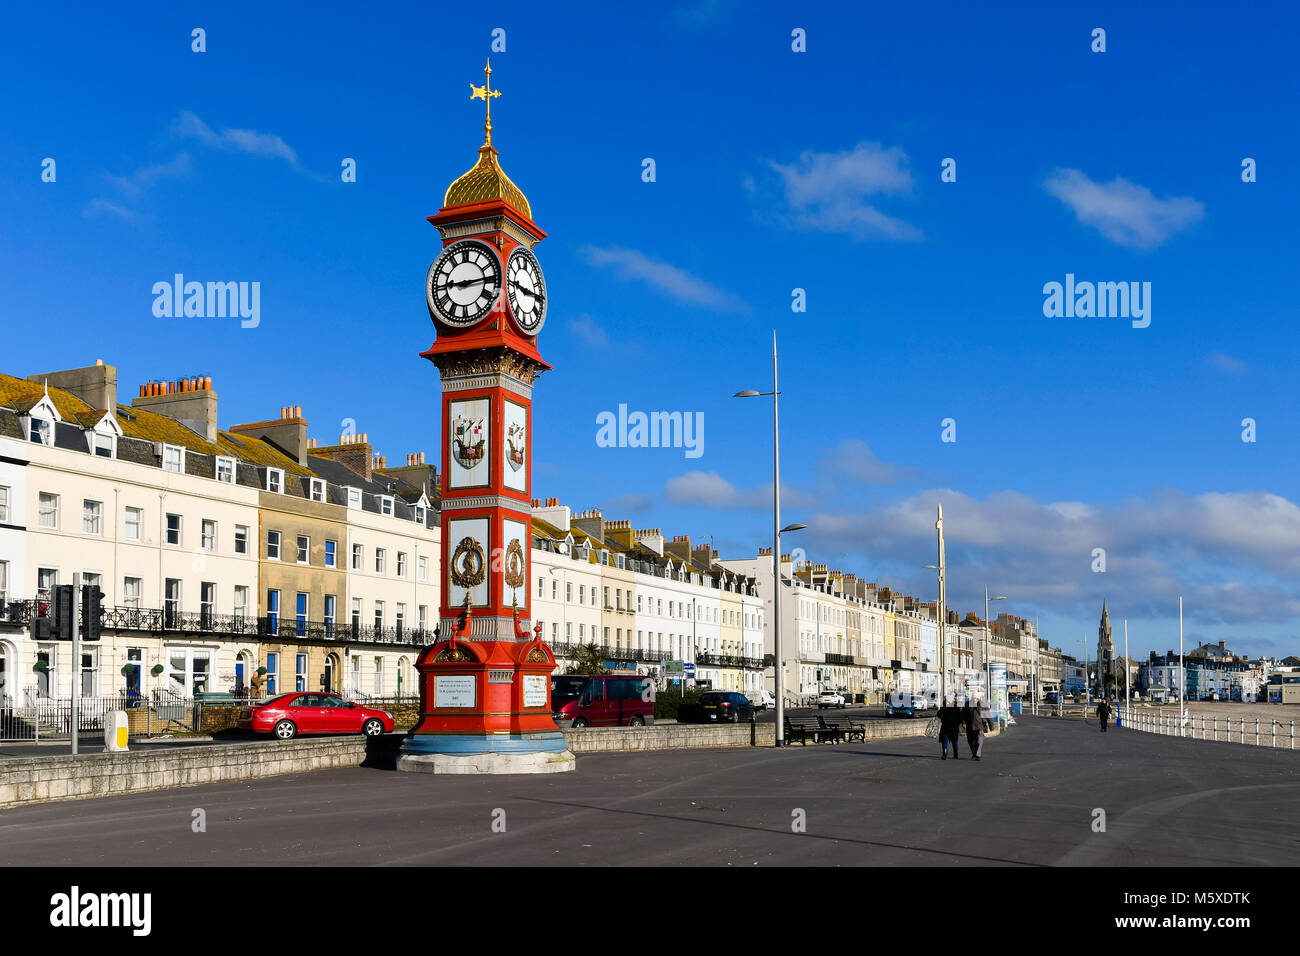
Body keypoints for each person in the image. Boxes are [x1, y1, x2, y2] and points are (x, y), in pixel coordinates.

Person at [962, 696, 984, 760]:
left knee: (979, 740)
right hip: (969, 726)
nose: (976, 699)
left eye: (977, 698)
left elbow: (986, 715)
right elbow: (962, 714)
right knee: (970, 741)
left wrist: (991, 725)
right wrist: (963, 722)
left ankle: (977, 754)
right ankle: (974, 753)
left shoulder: (982, 704)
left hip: (979, 726)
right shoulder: (966, 704)